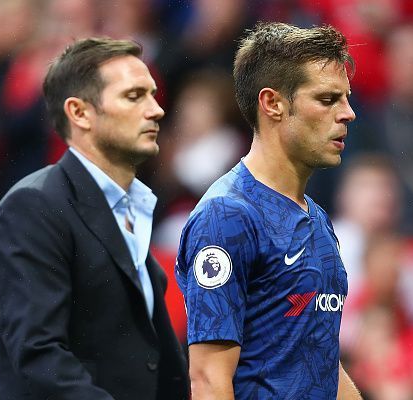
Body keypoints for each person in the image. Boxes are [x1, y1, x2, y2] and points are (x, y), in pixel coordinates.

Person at [0, 37, 189, 400]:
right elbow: (41, 359)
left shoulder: (131, 210)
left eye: (153, 94)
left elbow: (154, 364)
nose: (156, 110)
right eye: (134, 96)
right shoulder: (33, 208)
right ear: (80, 113)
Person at [176, 22, 362, 399]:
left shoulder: (318, 220)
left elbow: (320, 359)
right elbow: (209, 381)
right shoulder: (226, 217)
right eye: (328, 100)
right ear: (273, 103)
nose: (348, 113)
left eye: (346, 98)